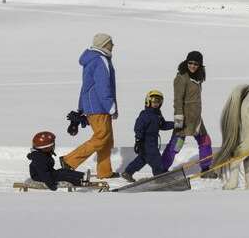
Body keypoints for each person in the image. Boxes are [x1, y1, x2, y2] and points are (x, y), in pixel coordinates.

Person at [60, 33, 119, 179]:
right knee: (101, 137)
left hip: (94, 106)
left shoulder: (93, 60)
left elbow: (85, 87)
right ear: (104, 44)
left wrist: (82, 107)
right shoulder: (100, 60)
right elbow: (102, 87)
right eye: (110, 43)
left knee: (107, 139)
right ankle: (69, 160)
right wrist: (111, 106)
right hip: (100, 106)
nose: (113, 45)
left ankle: (104, 172)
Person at [161, 51, 218, 179]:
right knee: (176, 145)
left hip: (196, 118)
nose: (192, 66)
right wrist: (179, 117)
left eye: (196, 64)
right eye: (190, 63)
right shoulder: (181, 77)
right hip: (184, 118)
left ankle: (205, 168)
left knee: (205, 141)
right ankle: (161, 169)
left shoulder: (198, 77)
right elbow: (178, 99)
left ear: (200, 65)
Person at [121, 90, 174, 183]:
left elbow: (163, 125)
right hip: (146, 142)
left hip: (153, 141)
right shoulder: (145, 114)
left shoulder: (158, 114)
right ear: (148, 101)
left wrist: (175, 124)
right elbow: (138, 127)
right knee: (156, 159)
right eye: (154, 101)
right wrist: (138, 140)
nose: (156, 104)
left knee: (142, 159)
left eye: (158, 102)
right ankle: (159, 176)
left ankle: (128, 172)